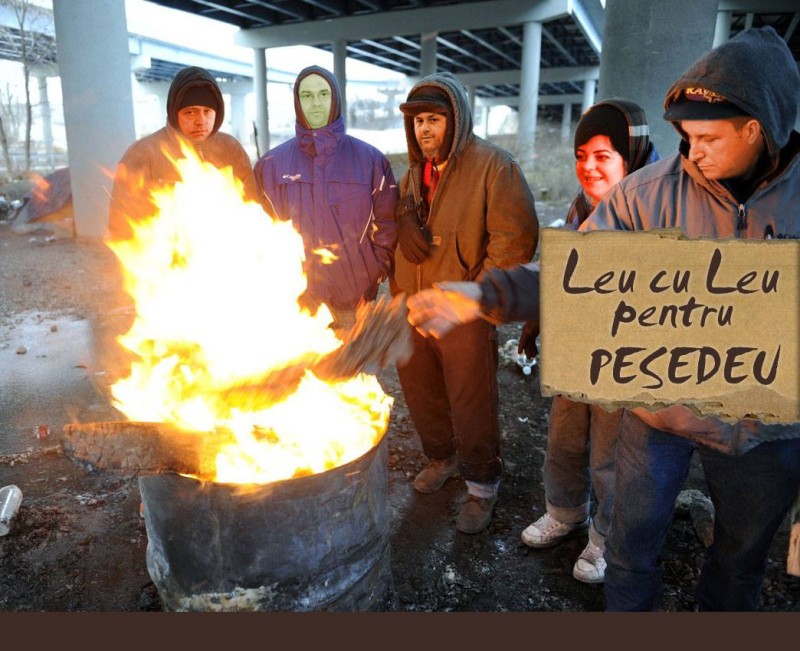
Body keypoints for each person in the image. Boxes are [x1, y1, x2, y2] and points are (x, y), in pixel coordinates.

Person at [407, 26, 800, 611]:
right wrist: (484, 294)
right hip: (658, 410)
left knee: (740, 562)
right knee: (630, 548)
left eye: (708, 138)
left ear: (757, 129)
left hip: (762, 429)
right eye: (686, 137)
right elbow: (576, 271)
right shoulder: (649, 193)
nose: (693, 153)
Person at [517, 100, 660, 585]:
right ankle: (565, 511)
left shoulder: (657, 213)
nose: (588, 166)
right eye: (582, 155)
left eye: (603, 155)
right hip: (576, 348)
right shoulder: (581, 209)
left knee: (611, 451)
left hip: (622, 359)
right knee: (564, 438)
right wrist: (537, 323)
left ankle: (604, 537)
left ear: (631, 157)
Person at [392, 71, 538, 534]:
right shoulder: (413, 175)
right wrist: (402, 219)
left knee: (471, 400)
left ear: (455, 120)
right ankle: (443, 457)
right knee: (421, 392)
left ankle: (481, 485)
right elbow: (403, 229)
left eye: (434, 119)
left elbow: (515, 242)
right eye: (417, 122)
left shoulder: (494, 167)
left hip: (464, 310)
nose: (425, 130)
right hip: (415, 308)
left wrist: (478, 295)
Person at [254, 65, 398, 332]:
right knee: (301, 375)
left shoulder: (370, 161)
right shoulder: (271, 165)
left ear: (336, 100)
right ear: (297, 102)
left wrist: (372, 272)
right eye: (307, 96)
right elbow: (259, 231)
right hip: (295, 304)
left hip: (353, 301)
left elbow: (387, 223)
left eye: (323, 94)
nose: (316, 103)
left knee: (353, 373)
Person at [108, 65, 265, 239]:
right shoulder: (142, 154)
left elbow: (252, 209)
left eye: (207, 112)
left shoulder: (230, 149)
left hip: (223, 255)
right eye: (190, 112)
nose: (201, 121)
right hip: (164, 260)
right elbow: (121, 225)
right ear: (175, 113)